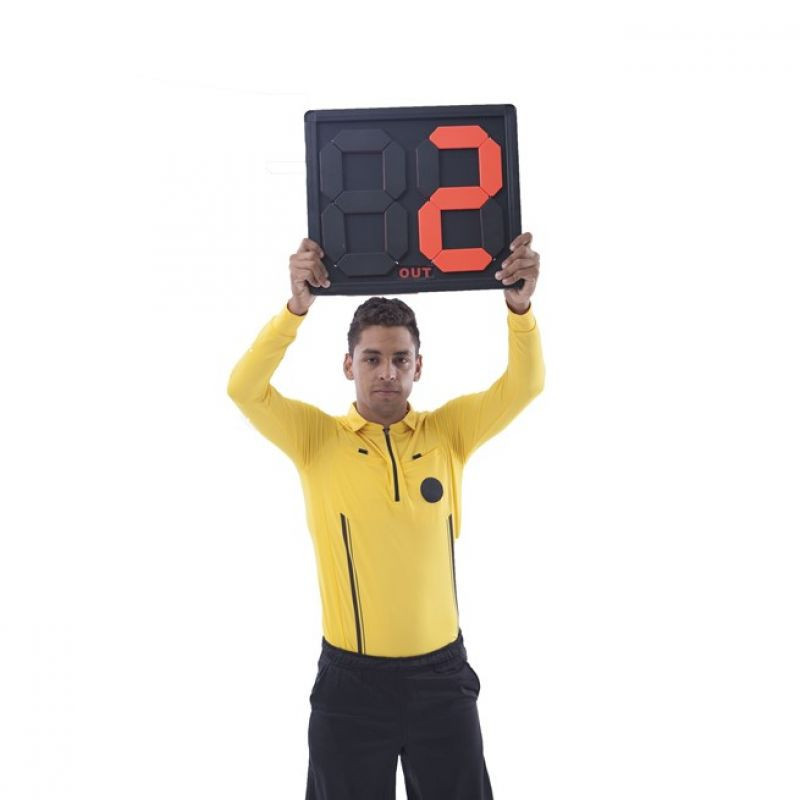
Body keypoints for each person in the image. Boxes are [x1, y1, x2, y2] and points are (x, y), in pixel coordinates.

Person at [227, 232, 544, 799]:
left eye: (400, 359)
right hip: (351, 687)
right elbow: (244, 389)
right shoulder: (316, 439)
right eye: (372, 359)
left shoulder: (448, 433)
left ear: (418, 367)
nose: (387, 373)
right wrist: (296, 309)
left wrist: (519, 310)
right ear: (348, 364)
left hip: (442, 681)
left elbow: (526, 385)